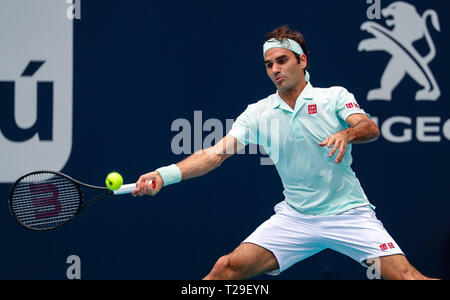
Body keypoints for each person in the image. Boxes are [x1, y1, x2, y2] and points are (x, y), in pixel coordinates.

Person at [132, 25, 435, 280]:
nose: (275, 69)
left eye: (282, 60)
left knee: (407, 277)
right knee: (226, 268)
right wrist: (164, 175)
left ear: (302, 60)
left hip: (348, 214)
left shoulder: (334, 97)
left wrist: (347, 133)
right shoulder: (258, 113)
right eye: (269, 64)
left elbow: (369, 128)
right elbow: (215, 154)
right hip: (296, 218)